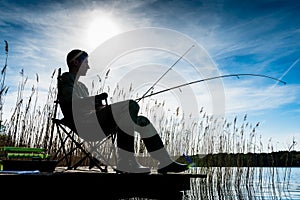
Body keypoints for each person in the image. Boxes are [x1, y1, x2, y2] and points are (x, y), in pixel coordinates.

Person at [57, 49, 189, 174]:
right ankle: (126, 161)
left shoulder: (82, 86)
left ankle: (165, 161)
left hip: (96, 121)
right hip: (84, 124)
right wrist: (95, 99)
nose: (88, 66)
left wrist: (100, 106)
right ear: (75, 62)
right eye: (85, 62)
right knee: (130, 105)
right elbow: (71, 104)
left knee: (142, 120)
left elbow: (88, 106)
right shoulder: (66, 79)